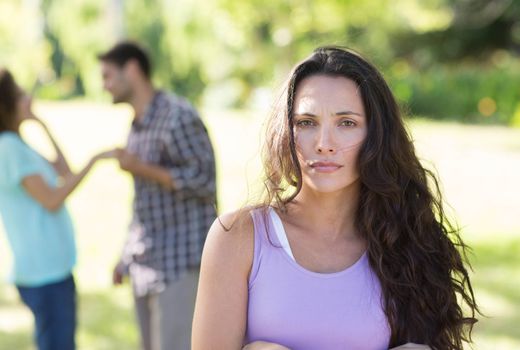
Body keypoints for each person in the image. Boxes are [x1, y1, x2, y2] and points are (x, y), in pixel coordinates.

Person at [192, 46, 479, 350]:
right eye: (306, 122)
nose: (324, 143)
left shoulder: (407, 243)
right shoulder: (237, 238)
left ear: (375, 135)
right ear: (286, 132)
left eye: (346, 123)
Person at [97, 41, 217, 350]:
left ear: (133, 70)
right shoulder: (137, 125)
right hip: (145, 263)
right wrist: (125, 255)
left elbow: (204, 181)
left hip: (179, 263)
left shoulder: (178, 117)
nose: (104, 85)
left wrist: (141, 167)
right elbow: (143, 202)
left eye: (108, 76)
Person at [0, 69, 113, 350]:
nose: (29, 99)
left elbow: (64, 170)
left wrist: (42, 124)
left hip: (53, 269)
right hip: (43, 273)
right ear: (8, 105)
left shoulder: (20, 144)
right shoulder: (9, 148)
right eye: (21, 95)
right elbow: (51, 199)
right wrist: (95, 159)